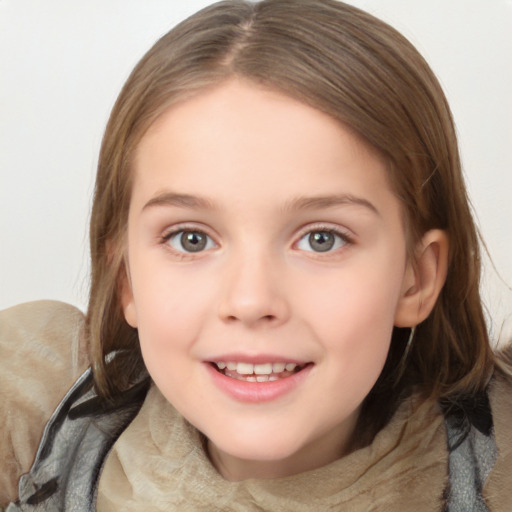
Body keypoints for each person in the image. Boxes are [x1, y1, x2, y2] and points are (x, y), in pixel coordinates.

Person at [1, 0, 511, 510]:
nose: (250, 300)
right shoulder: (33, 415)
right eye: (191, 239)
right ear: (127, 279)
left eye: (321, 239)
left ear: (415, 278)